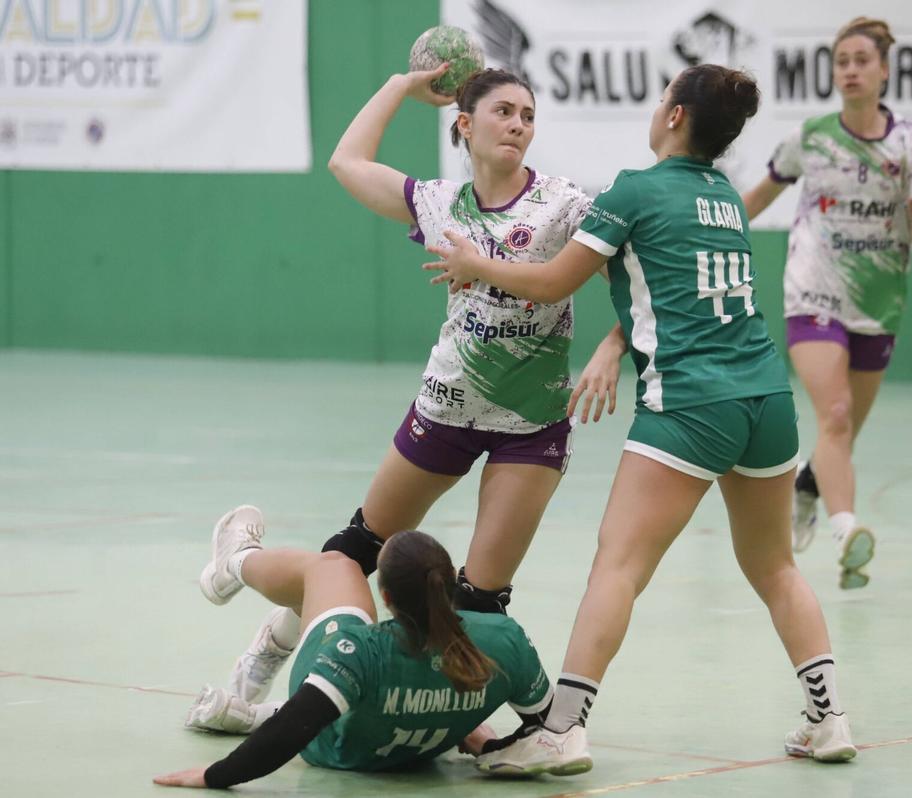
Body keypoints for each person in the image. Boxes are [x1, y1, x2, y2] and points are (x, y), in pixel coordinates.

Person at [425, 63, 857, 775]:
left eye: (663, 99)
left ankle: (561, 728)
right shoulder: (724, 197)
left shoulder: (635, 189)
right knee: (776, 566)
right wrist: (613, 344)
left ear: (676, 116)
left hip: (691, 403)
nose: (657, 108)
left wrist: (479, 264)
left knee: (618, 564)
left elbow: (552, 281)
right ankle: (829, 718)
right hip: (767, 399)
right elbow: (668, 289)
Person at [210, 64, 618, 710]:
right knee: (353, 556)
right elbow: (347, 163)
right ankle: (261, 629)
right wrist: (400, 85)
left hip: (532, 423)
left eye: (528, 116)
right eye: (504, 111)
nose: (518, 124)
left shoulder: (563, 206)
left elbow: (639, 281)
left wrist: (615, 345)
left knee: (481, 604)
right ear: (465, 124)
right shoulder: (441, 203)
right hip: (447, 407)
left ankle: (455, 719)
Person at [154, 506, 565, 788]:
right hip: (418, 752)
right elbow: (550, 729)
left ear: (385, 597)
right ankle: (257, 706)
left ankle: (236, 561)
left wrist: (214, 776)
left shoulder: (361, 649)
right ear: (450, 585)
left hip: (335, 749)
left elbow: (294, 729)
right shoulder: (503, 639)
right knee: (351, 686)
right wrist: (486, 746)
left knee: (335, 566)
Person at [741, 17, 912, 588]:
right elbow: (759, 196)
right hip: (814, 290)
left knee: (843, 432)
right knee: (834, 414)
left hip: (880, 300)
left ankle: (806, 485)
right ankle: (846, 530)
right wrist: (711, 227)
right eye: (842, 62)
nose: (851, 71)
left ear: (884, 70)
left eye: (861, 61)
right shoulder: (812, 137)